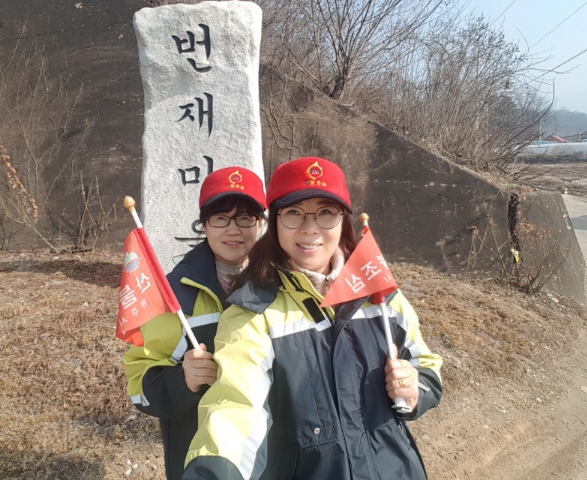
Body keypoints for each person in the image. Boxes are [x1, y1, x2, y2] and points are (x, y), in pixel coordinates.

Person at [182, 157, 443, 480]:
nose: (310, 229)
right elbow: (235, 406)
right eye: (293, 213)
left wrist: (415, 390)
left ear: (343, 221)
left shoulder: (380, 295)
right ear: (274, 223)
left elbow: (426, 365)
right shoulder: (252, 311)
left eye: (326, 212)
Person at [124, 166, 267, 480]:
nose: (233, 229)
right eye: (220, 218)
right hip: (200, 461)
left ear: (260, 224)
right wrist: (183, 381)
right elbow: (139, 386)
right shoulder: (174, 297)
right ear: (204, 225)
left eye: (245, 217)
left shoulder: (279, 288)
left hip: (273, 455)